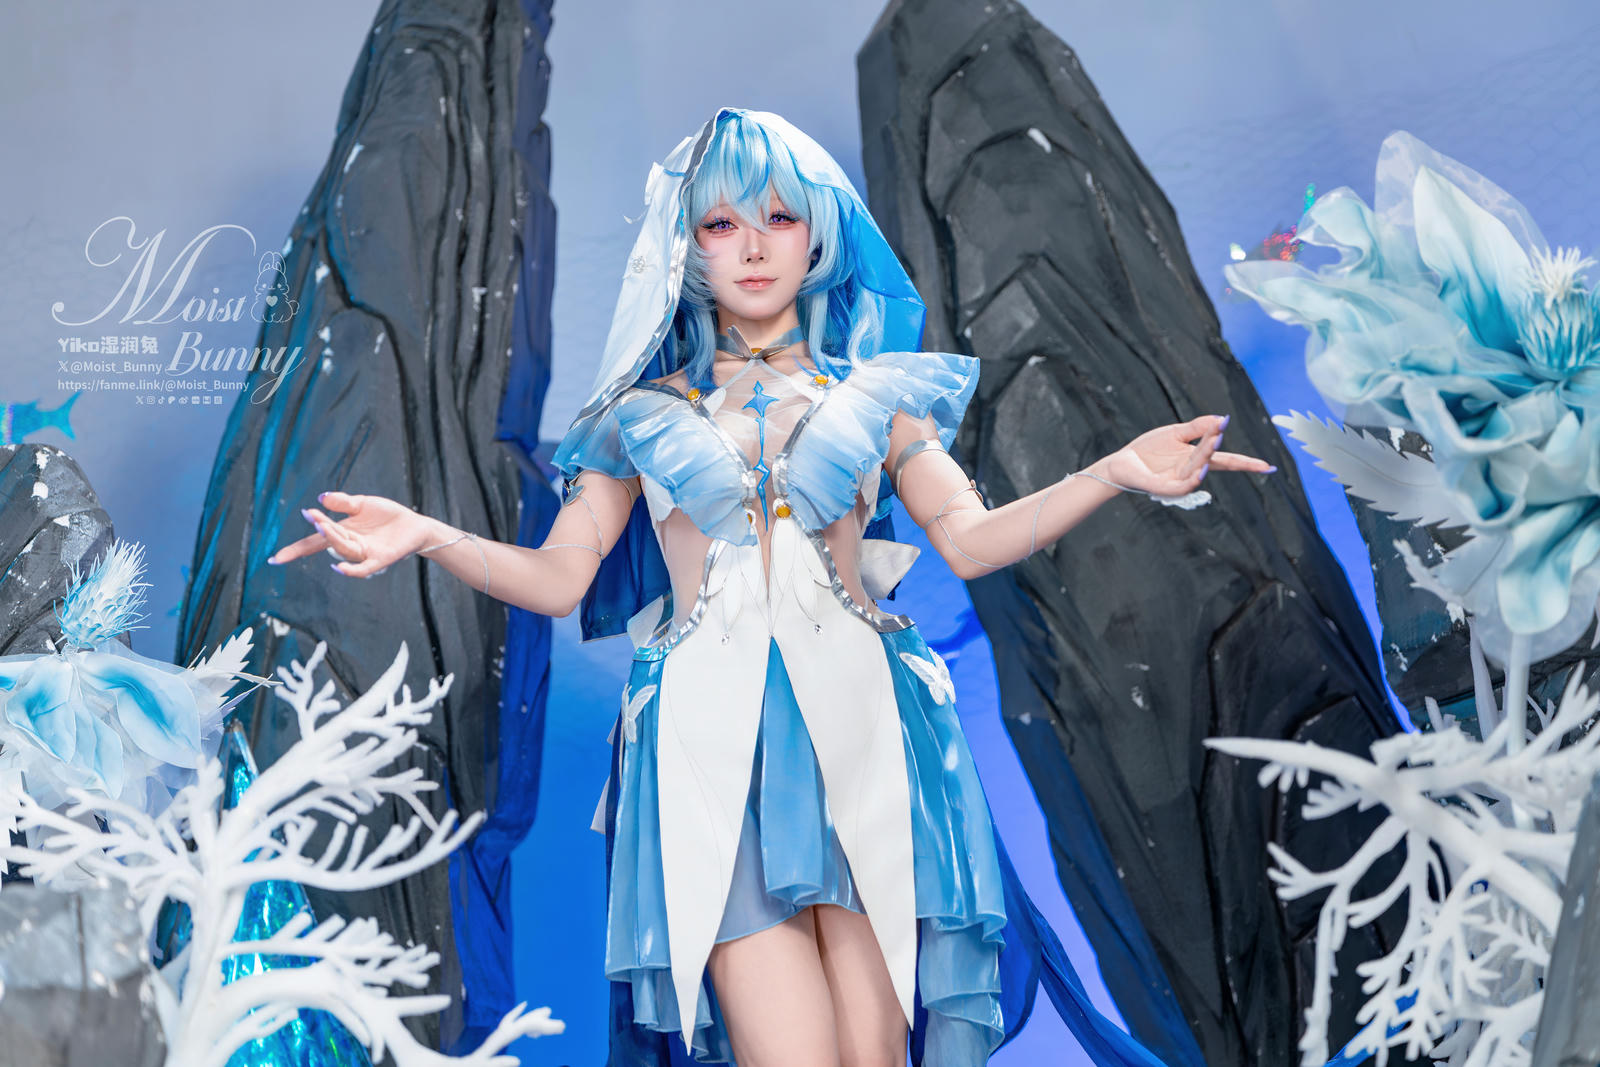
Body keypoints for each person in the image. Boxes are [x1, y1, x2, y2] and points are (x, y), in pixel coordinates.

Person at [268, 108, 1273, 1066]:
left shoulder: (878, 396)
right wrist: (431, 534)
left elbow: (969, 542)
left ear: (818, 233)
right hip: (708, 751)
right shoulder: (638, 415)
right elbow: (561, 577)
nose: (752, 246)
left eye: (779, 217)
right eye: (721, 223)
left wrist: (1112, 472)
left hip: (872, 737)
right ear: (687, 246)